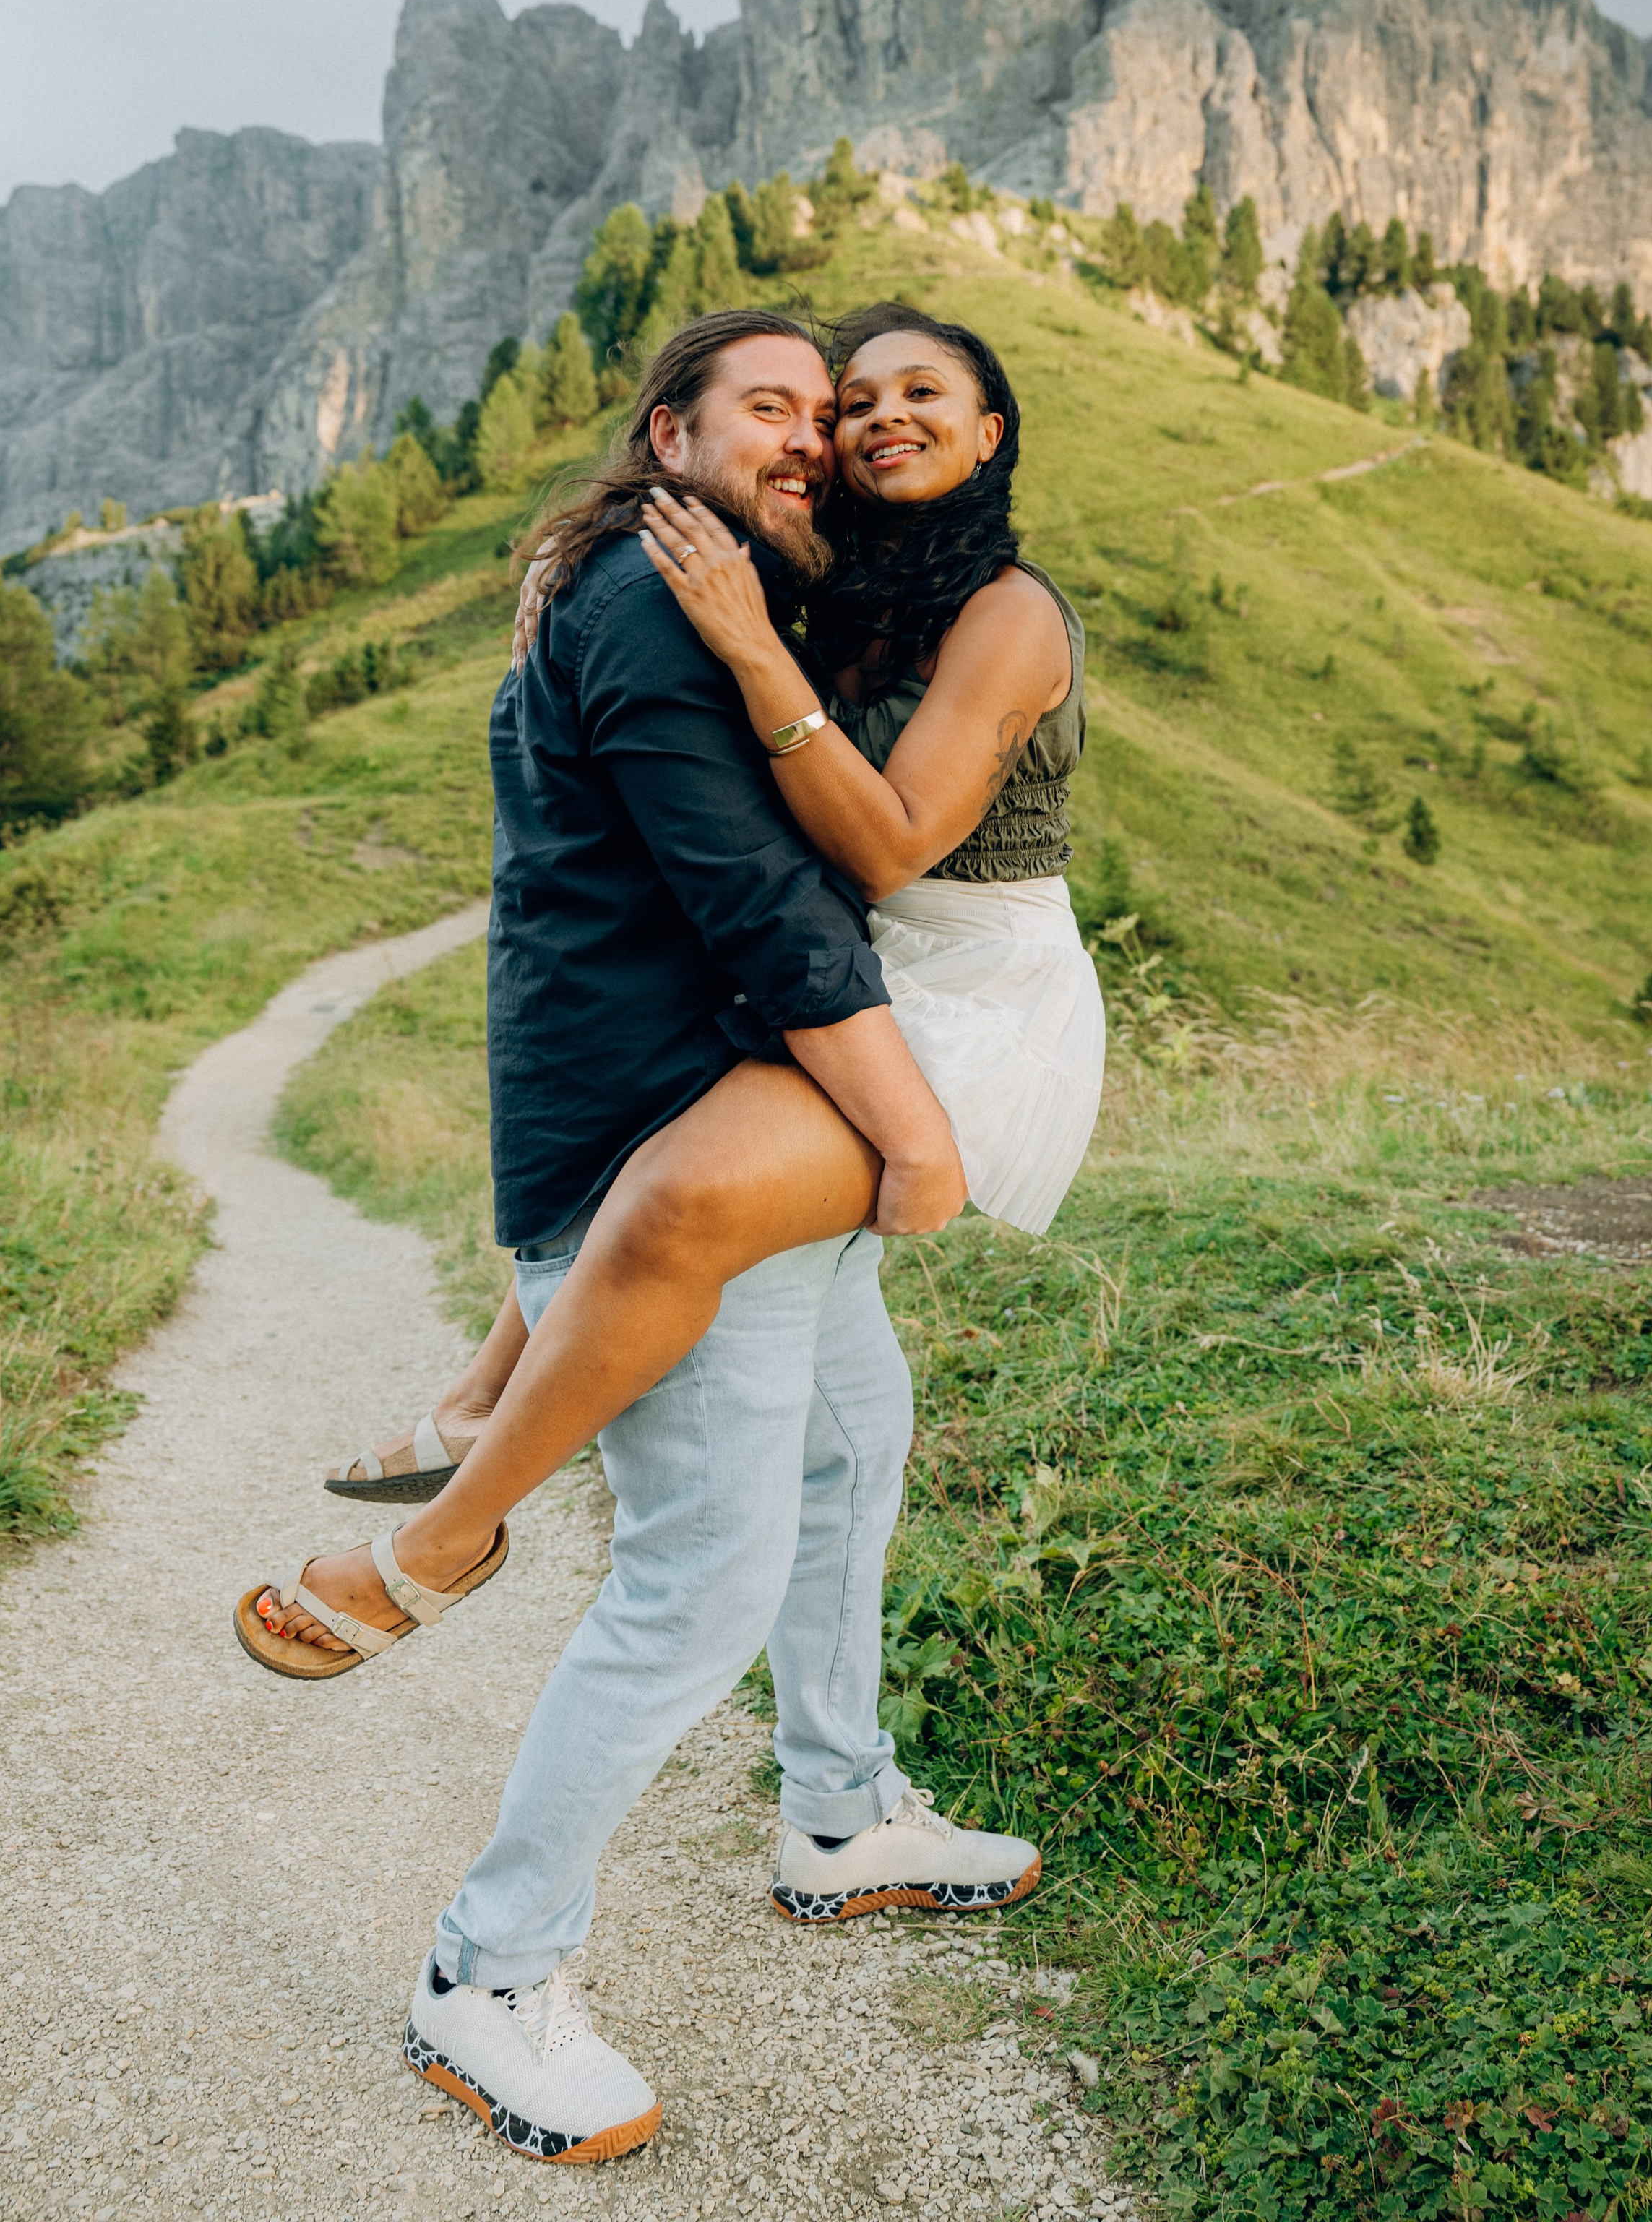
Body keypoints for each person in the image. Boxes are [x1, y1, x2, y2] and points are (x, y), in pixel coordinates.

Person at [234, 309, 1053, 2163]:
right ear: (665, 431)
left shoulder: (697, 591)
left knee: (855, 1449)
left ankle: (839, 1819)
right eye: (767, 407)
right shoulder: (647, 606)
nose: (810, 436)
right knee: (698, 1573)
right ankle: (486, 1972)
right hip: (661, 1151)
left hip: (748, 1121)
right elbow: (768, 902)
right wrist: (914, 1125)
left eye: (818, 413)